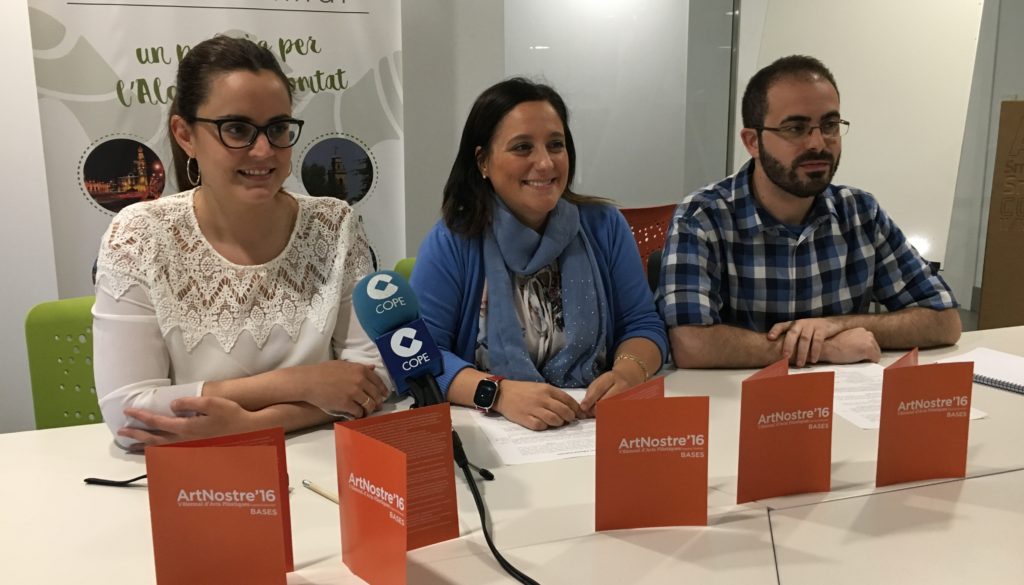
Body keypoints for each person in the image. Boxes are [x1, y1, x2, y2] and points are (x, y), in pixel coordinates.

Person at [93, 36, 391, 450]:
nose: (264, 150)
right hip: (197, 472)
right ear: (185, 134)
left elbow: (372, 380)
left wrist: (251, 425)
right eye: (236, 129)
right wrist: (300, 383)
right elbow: (128, 412)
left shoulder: (334, 224)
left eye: (278, 128)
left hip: (322, 466)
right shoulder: (139, 236)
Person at [658, 55, 961, 370]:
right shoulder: (703, 218)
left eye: (830, 125)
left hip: (846, 395)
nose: (818, 143)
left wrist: (836, 325)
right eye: (795, 128)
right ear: (753, 142)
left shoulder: (860, 213)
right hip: (739, 396)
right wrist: (824, 348)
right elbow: (690, 344)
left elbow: (944, 320)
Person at [411, 77, 669, 431]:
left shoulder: (604, 226)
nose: (546, 163)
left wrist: (628, 372)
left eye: (555, 145)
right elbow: (419, 358)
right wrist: (498, 394)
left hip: (591, 424)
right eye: (522, 148)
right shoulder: (452, 242)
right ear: (483, 161)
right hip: (495, 432)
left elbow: (642, 325)